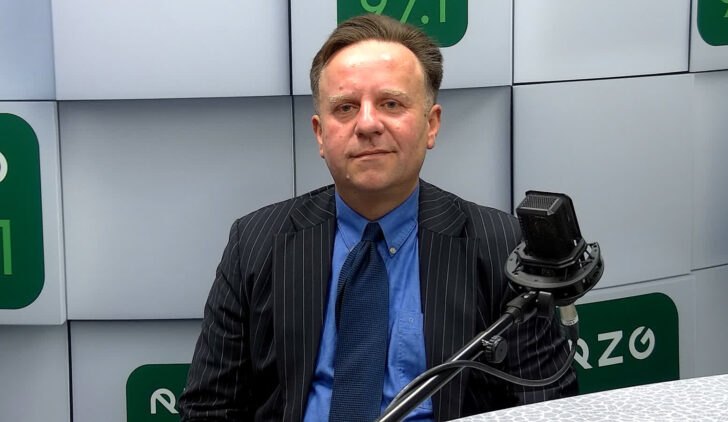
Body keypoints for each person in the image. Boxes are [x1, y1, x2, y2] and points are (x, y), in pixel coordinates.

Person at [178, 13, 576, 422]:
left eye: (391, 104)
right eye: (345, 107)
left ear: (431, 125)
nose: (367, 124)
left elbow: (547, 406)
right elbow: (209, 409)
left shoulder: (500, 245)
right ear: (320, 134)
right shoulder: (255, 242)